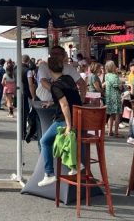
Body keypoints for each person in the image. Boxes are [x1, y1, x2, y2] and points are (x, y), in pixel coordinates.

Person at [37, 57, 83, 186]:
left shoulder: (55, 86)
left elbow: (64, 105)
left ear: (49, 69)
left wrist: (68, 125)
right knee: (62, 140)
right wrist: (53, 102)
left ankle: (49, 174)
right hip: (79, 117)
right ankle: (75, 164)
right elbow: (68, 96)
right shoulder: (69, 79)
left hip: (64, 119)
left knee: (45, 141)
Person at [103, 61, 123, 137]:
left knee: (111, 114)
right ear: (112, 67)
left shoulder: (106, 75)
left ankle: (110, 131)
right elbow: (119, 86)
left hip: (108, 97)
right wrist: (121, 84)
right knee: (117, 115)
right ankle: (116, 132)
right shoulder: (115, 76)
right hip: (115, 97)